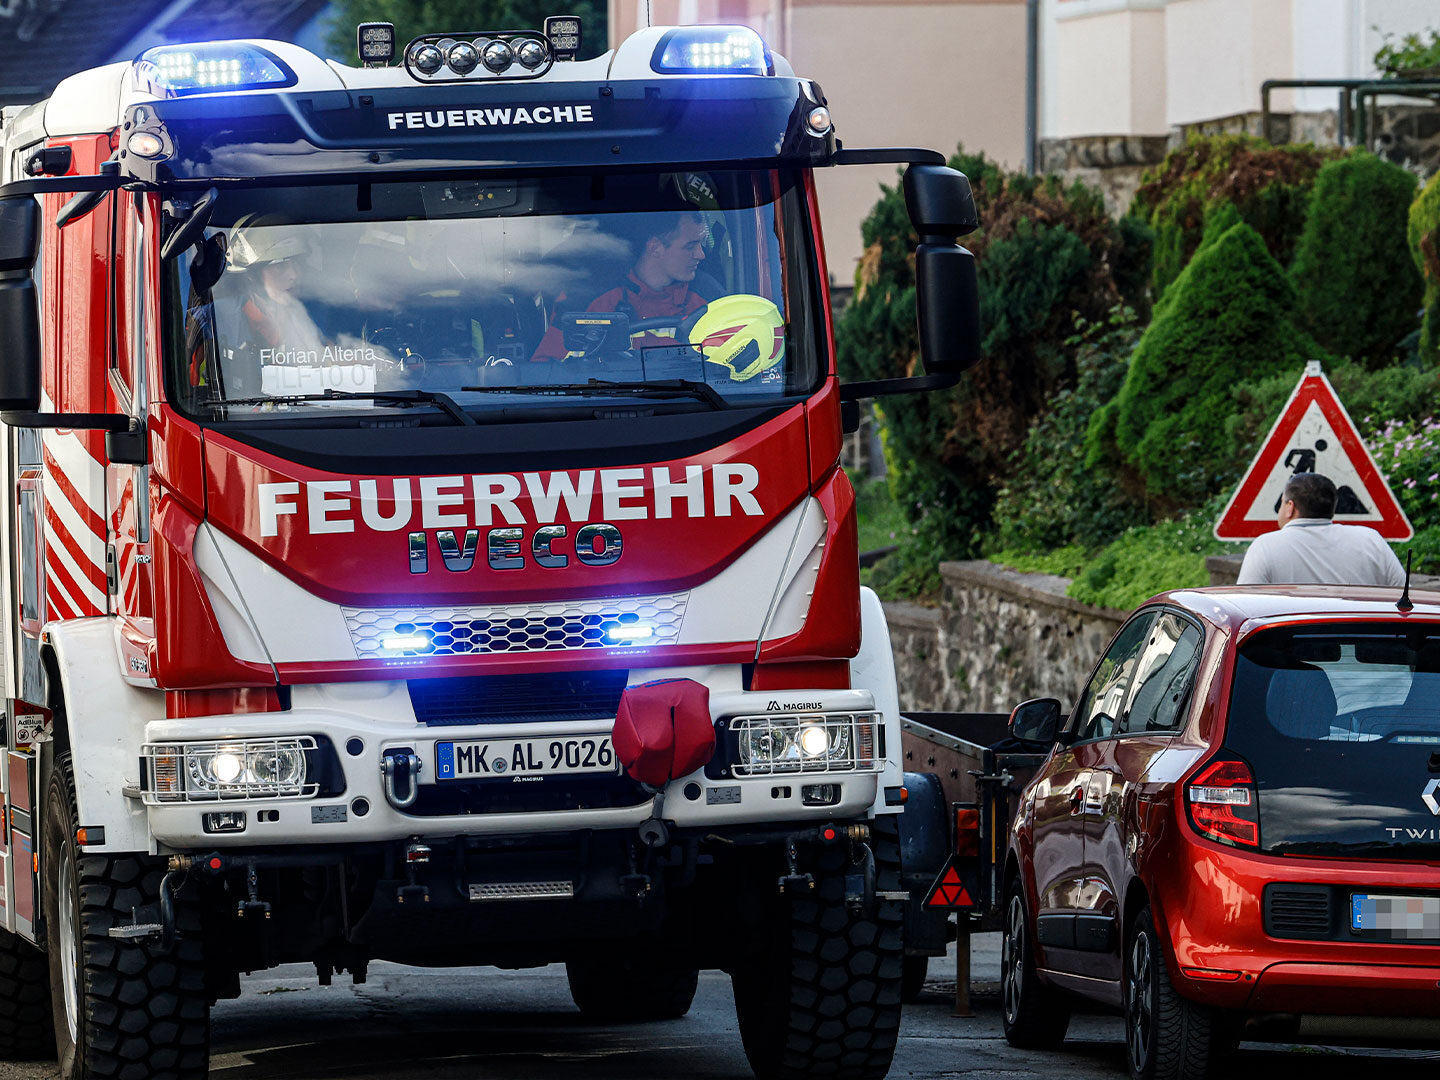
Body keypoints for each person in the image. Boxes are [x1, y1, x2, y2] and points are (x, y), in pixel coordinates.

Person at [530, 210, 710, 363]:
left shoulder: (709, 299)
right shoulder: (592, 301)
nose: (701, 255)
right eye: (690, 246)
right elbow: (545, 371)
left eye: (700, 244)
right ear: (655, 248)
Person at [1236, 472, 1405, 587]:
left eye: (1281, 503)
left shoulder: (1265, 546)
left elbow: (1246, 606)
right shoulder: (1370, 539)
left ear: (1290, 507)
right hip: (1365, 638)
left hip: (1295, 639)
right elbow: (1405, 595)